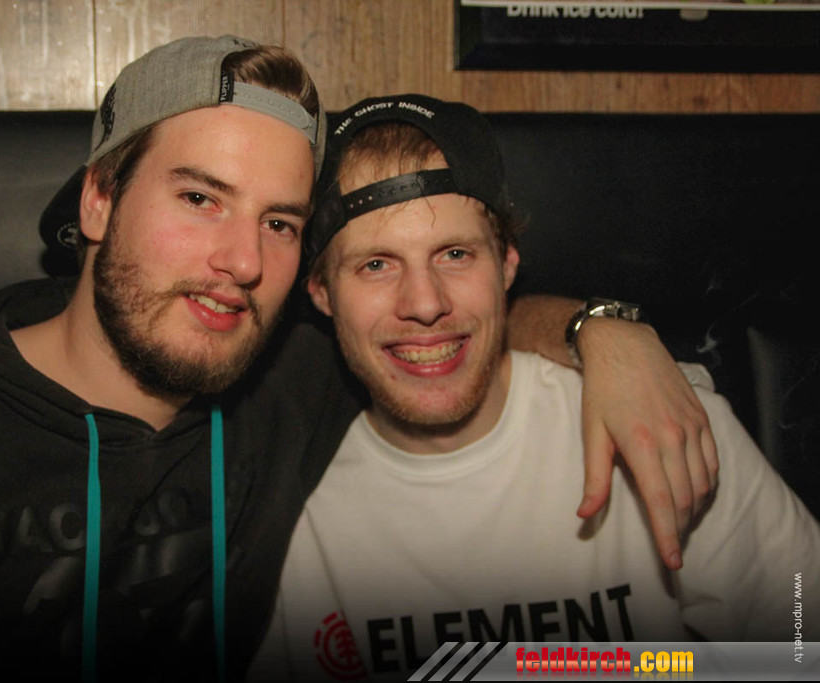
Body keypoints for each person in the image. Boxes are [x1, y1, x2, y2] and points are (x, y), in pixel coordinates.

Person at [0, 38, 713, 681]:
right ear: (98, 200)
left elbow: (442, 322)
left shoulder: (290, 381)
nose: (242, 261)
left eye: (279, 222)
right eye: (200, 198)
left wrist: (606, 331)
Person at [248, 94, 820, 682]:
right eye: (376, 265)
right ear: (321, 292)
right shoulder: (283, 507)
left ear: (507, 265)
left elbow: (805, 648)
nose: (425, 303)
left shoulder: (655, 417)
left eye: (455, 254)